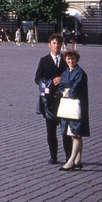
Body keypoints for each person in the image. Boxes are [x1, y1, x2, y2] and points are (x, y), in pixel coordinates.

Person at [34, 34, 72, 165]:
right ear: (49, 45)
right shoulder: (44, 60)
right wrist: (49, 82)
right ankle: (53, 156)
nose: (56, 46)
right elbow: (37, 78)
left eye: (59, 43)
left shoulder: (66, 59)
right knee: (51, 131)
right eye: (54, 43)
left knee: (65, 130)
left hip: (63, 100)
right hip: (49, 101)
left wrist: (62, 79)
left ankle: (68, 157)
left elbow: (71, 74)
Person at [58, 49, 90, 171]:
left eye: (73, 59)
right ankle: (78, 160)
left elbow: (76, 88)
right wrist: (64, 91)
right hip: (68, 105)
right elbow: (61, 87)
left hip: (77, 105)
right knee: (74, 132)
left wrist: (67, 92)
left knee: (76, 132)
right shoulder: (66, 72)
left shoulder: (80, 73)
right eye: (68, 59)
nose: (70, 61)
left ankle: (71, 160)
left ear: (76, 60)